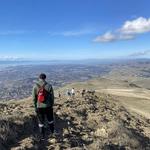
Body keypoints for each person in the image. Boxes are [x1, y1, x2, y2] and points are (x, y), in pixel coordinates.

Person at [32, 73, 55, 140]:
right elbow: (52, 97)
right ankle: (52, 132)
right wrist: (51, 105)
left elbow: (34, 98)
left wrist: (35, 106)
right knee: (50, 120)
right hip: (48, 106)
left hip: (39, 107)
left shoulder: (35, 86)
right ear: (45, 78)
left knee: (41, 122)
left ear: (39, 78)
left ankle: (42, 136)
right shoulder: (49, 86)